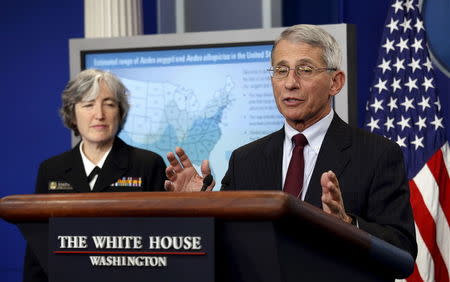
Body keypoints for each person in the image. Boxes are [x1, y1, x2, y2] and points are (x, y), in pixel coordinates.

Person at [164, 24, 418, 259]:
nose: (290, 83)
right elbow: (225, 240)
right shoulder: (245, 159)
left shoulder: (377, 154)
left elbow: (402, 250)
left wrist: (348, 225)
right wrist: (198, 205)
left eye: (305, 70)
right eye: (281, 70)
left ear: (335, 82)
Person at [23, 69, 167, 282]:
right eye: (88, 104)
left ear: (120, 112)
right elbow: (39, 252)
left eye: (109, 104)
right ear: (72, 114)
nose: (99, 114)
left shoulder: (147, 164)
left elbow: (165, 246)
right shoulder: (51, 169)